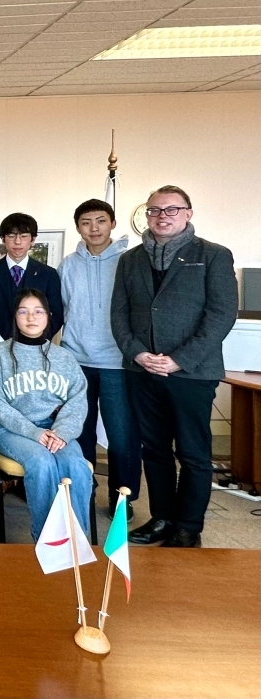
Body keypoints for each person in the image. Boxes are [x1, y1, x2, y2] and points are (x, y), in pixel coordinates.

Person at [112, 185, 238, 548]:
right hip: (143, 370)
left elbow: (220, 315)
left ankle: (188, 527)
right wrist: (137, 353)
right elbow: (119, 314)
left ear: (188, 213)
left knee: (193, 452)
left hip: (191, 373)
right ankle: (162, 517)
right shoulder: (131, 260)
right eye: (154, 210)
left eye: (171, 210)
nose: (162, 216)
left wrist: (179, 359)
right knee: (153, 449)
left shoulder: (213, 255)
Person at [0, 288, 91, 541]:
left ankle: (77, 541)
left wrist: (62, 432)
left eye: (38, 311)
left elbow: (77, 400)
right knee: (41, 463)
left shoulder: (63, 357)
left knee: (76, 465)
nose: (31, 317)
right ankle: (48, 540)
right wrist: (33, 432)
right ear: (15, 317)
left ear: (48, 316)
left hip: (55, 429)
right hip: (11, 430)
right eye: (24, 311)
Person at [58, 199, 141, 522]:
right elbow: (61, 311)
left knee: (122, 436)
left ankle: (123, 497)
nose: (94, 228)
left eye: (100, 221)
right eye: (86, 222)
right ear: (78, 227)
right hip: (76, 360)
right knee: (80, 434)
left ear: (113, 223)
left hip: (117, 362)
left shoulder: (129, 261)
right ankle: (83, 490)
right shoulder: (68, 265)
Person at [0, 213, 63, 345]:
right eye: (11, 236)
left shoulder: (48, 274)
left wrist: (37, 339)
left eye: (23, 236)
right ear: (3, 239)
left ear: (32, 240)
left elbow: (57, 314)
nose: (17, 242)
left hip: (37, 347)